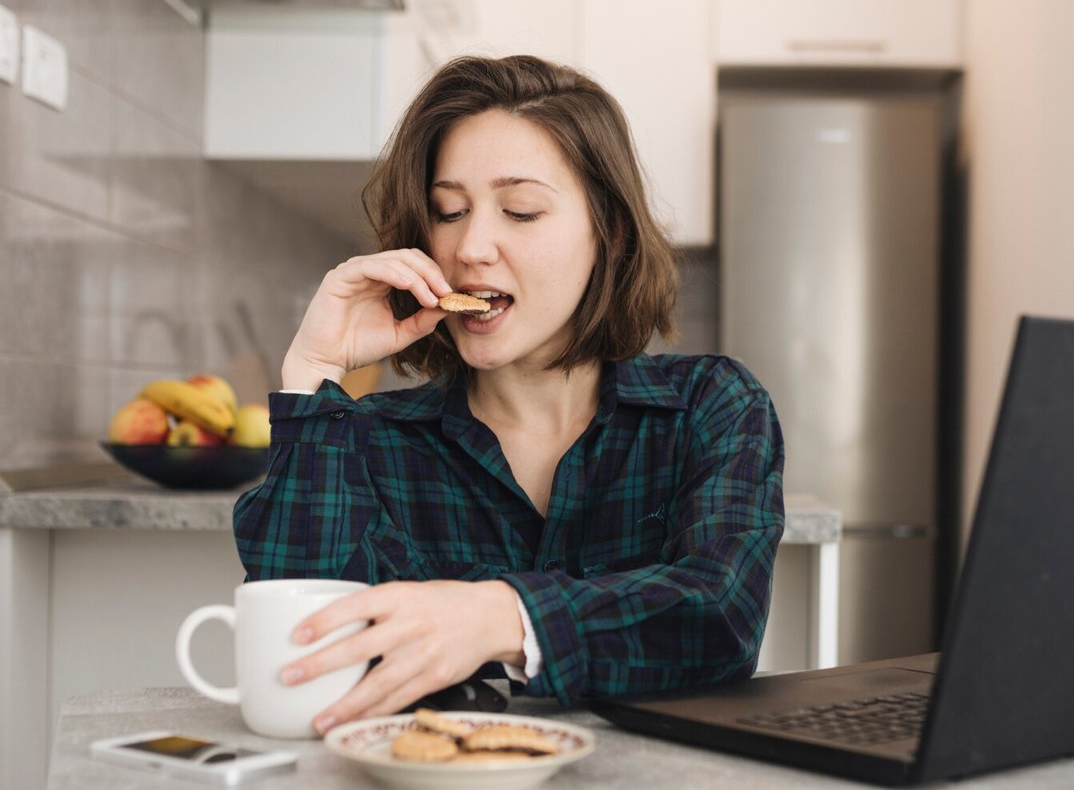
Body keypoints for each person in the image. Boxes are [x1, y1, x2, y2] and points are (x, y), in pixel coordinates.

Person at [233, 54, 785, 736]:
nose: (471, 247)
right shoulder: (369, 441)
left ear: (608, 233)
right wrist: (313, 372)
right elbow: (304, 653)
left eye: (520, 211)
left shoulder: (711, 407)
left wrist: (503, 616)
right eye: (449, 211)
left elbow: (720, 620)